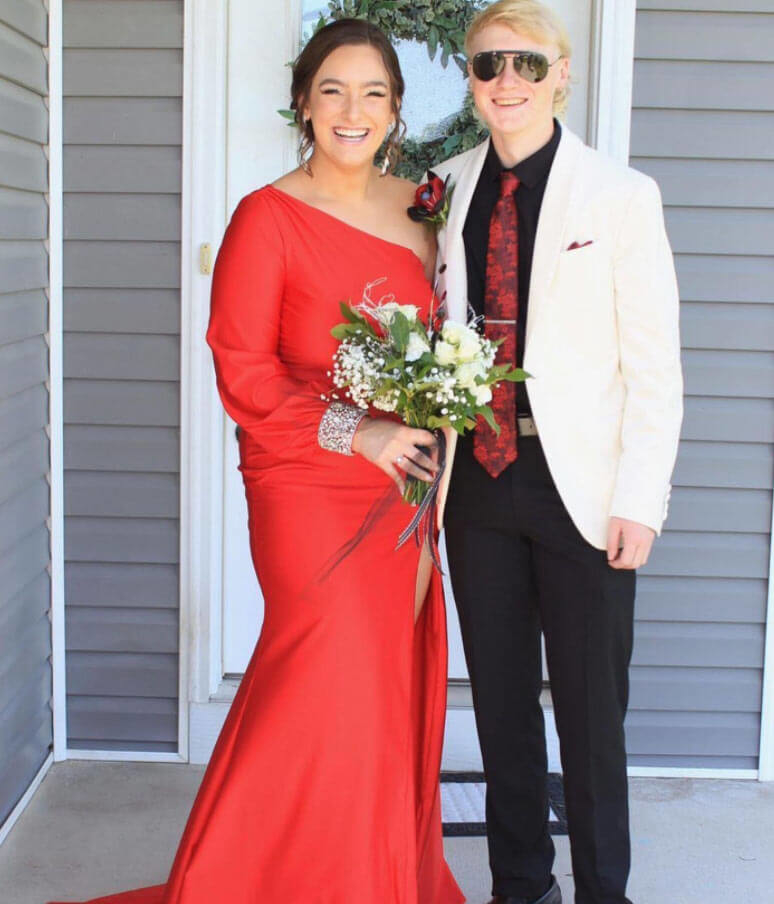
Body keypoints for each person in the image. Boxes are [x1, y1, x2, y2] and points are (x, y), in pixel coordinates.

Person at [46, 19, 465, 904]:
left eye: (374, 93)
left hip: (410, 487)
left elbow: (447, 334)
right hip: (308, 479)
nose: (354, 111)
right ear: (303, 103)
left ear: (395, 110)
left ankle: (364, 875)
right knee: (323, 676)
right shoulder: (265, 217)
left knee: (380, 690)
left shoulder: (423, 206)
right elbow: (242, 367)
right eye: (334, 91)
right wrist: (360, 432)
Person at [431, 2, 683, 903]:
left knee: (589, 720)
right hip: (479, 488)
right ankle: (520, 883)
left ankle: (602, 891)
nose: (508, 81)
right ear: (469, 78)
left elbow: (655, 366)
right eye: (490, 64)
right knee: (500, 710)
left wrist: (641, 501)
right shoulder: (446, 185)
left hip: (583, 489)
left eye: (528, 65)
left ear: (561, 75)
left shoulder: (619, 196)